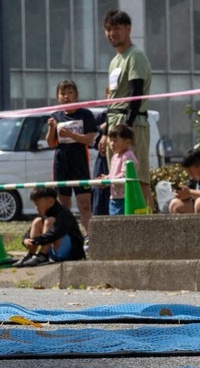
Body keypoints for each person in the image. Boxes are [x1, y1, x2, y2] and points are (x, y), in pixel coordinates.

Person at [103, 9, 153, 208]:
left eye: (116, 28)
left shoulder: (135, 56)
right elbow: (112, 99)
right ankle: (122, 220)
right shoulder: (114, 61)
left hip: (131, 124)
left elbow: (135, 94)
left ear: (128, 29)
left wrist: (127, 129)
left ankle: (147, 220)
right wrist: (106, 133)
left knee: (138, 178)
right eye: (108, 29)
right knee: (116, 178)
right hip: (114, 124)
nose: (112, 33)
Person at [44, 79, 98, 234]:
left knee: (84, 204)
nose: (66, 96)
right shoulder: (55, 116)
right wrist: (51, 129)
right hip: (61, 162)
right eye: (63, 93)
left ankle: (90, 236)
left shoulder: (85, 114)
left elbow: (89, 139)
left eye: (70, 92)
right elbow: (50, 143)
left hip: (79, 161)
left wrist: (70, 134)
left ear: (76, 95)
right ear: (58, 97)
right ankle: (68, 236)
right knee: (64, 204)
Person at [16, 186, 85, 266]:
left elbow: (54, 233)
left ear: (51, 201)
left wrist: (35, 241)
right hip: (54, 251)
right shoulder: (45, 213)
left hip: (70, 252)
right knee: (37, 221)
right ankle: (31, 254)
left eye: (37, 204)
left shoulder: (63, 214)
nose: (36, 208)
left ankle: (43, 255)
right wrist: (26, 240)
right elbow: (30, 230)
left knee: (49, 221)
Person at [103, 124, 138, 215]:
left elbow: (125, 175)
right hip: (114, 197)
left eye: (115, 141)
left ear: (127, 142)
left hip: (124, 197)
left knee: (122, 221)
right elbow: (113, 175)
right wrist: (106, 179)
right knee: (113, 220)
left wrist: (109, 180)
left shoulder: (128, 156)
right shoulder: (114, 157)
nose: (112, 144)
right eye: (110, 140)